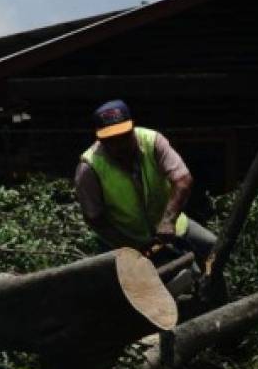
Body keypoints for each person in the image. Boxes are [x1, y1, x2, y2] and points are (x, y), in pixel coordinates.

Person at [74, 99, 216, 263]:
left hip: (173, 225)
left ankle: (212, 288)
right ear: (101, 139)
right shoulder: (89, 168)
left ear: (132, 128)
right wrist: (128, 247)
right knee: (144, 283)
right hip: (126, 241)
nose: (120, 144)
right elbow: (94, 218)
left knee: (213, 249)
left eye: (124, 136)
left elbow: (183, 180)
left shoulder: (152, 141)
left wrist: (168, 221)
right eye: (112, 140)